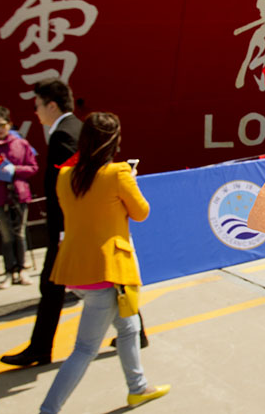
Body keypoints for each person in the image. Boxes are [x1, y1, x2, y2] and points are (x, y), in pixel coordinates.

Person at [38, 112, 169, 413]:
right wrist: (130, 181)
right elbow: (141, 212)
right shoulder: (118, 174)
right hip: (108, 271)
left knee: (129, 327)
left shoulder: (64, 176)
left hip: (74, 268)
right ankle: (48, 410)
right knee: (85, 348)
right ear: (114, 141)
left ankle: (137, 388)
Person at [0, 80, 81, 367]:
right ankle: (135, 333)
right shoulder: (77, 128)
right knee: (107, 284)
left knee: (51, 286)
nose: (35, 113)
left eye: (36, 106)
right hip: (78, 225)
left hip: (68, 228)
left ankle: (39, 349)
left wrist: (61, 231)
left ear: (51, 105)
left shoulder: (62, 135)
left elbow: (68, 186)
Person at [0, 106, 38, 289]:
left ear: (9, 124)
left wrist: (15, 170)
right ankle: (9, 271)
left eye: (2, 125)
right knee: (6, 235)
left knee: (20, 233)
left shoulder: (21, 143)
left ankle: (22, 269)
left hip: (19, 194)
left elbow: (33, 167)